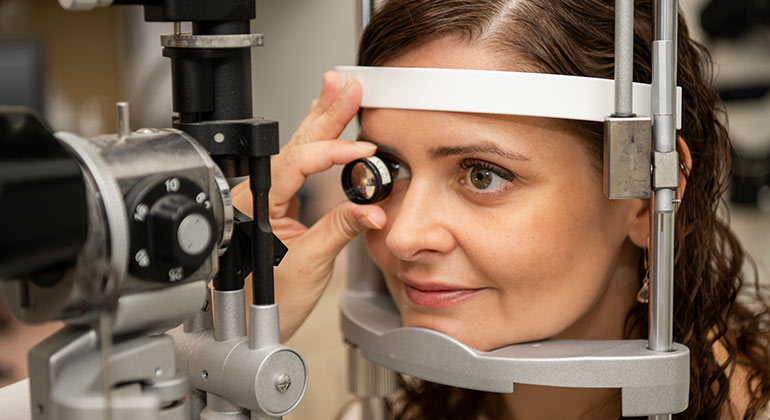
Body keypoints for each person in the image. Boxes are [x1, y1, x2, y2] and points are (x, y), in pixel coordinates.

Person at [232, 0, 770, 418]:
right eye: (386, 169)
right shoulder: (318, 380)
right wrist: (233, 332)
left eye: (482, 175)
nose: (402, 236)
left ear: (647, 195)